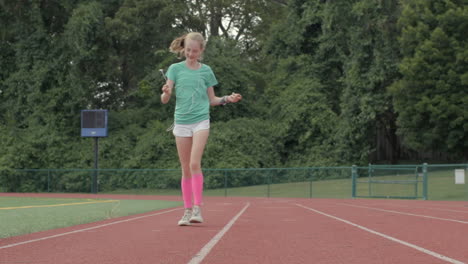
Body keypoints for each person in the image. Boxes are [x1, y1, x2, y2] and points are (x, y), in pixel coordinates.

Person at [161, 32, 242, 226]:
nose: (190, 54)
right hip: (181, 122)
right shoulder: (174, 69)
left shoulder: (206, 71)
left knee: (194, 164)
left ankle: (197, 209)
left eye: (194, 51)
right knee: (185, 168)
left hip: (200, 121)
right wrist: (166, 92)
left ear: (201, 51)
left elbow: (212, 100)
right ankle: (187, 211)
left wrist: (226, 99)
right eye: (188, 50)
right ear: (184, 49)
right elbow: (165, 100)